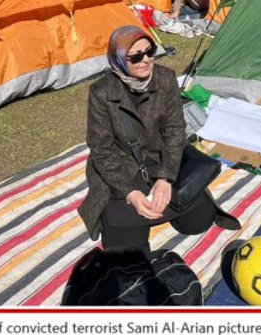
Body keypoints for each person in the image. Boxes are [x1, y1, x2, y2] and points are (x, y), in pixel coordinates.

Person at [79, 25, 239, 255]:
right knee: (126, 251)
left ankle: (166, 201)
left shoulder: (165, 78)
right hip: (123, 170)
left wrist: (165, 178)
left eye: (150, 51)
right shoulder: (101, 92)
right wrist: (130, 193)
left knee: (199, 221)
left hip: (160, 161)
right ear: (118, 61)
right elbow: (101, 149)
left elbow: (175, 130)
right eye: (136, 56)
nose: (146, 60)